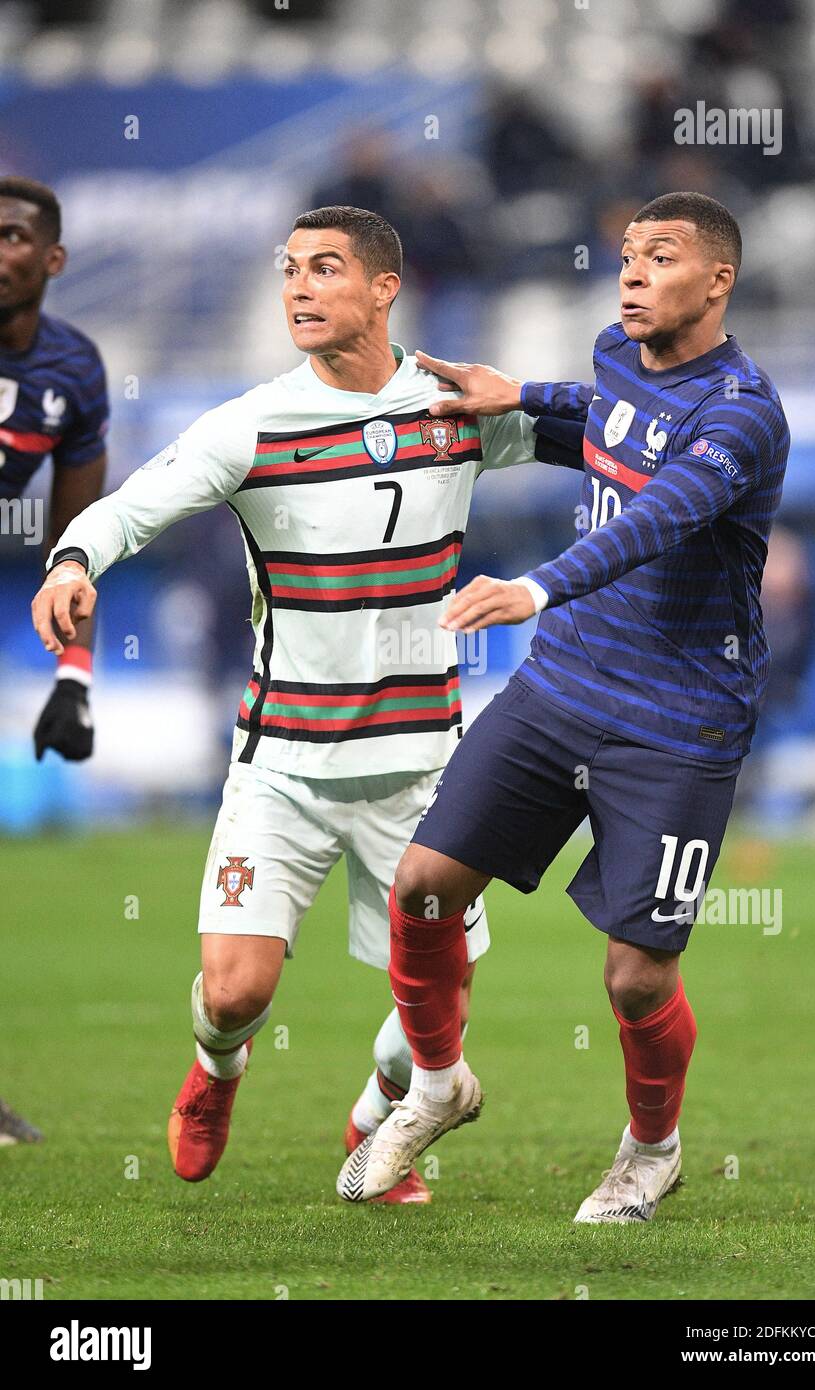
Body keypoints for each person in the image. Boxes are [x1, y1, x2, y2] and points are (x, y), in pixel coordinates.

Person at [31, 205, 580, 1201]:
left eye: (325, 268)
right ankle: (216, 1074)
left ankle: (376, 1120)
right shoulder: (251, 423)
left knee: (431, 1023)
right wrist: (74, 558)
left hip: (421, 772)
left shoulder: (452, 408)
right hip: (281, 763)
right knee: (235, 995)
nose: (298, 287)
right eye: (288, 269)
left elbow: (616, 437)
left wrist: (546, 397)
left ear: (383, 288)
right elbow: (132, 504)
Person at [337, 191, 791, 1224]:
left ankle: (650, 1148)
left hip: (678, 720)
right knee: (422, 887)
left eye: (658, 257)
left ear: (715, 281)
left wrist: (533, 586)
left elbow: (659, 511)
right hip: (561, 684)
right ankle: (439, 1081)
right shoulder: (615, 352)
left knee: (634, 979)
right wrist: (515, 397)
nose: (628, 272)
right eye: (626, 254)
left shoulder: (744, 412)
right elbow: (603, 423)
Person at [0, 174, 109, 1145]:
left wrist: (74, 681)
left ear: (51, 258)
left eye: (11, 237)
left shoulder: (73, 369)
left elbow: (79, 538)